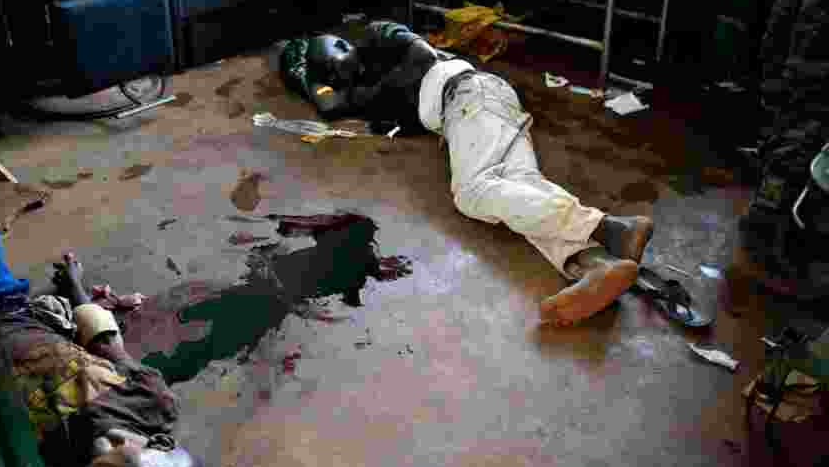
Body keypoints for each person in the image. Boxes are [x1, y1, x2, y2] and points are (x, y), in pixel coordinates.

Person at [279, 21, 656, 325]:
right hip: (477, 109)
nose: (335, 75)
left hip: (468, 98)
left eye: (331, 61)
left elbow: (420, 55)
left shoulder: (378, 36)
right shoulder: (363, 89)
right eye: (327, 73)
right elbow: (330, 106)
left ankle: (606, 227)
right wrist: (320, 79)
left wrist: (373, 93)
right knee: (519, 194)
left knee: (473, 193)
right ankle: (597, 264)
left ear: (342, 46)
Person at [0, 146, 208, 467]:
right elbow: (105, 339)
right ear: (161, 447)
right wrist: (76, 286)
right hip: (3, 304)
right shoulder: (148, 403)